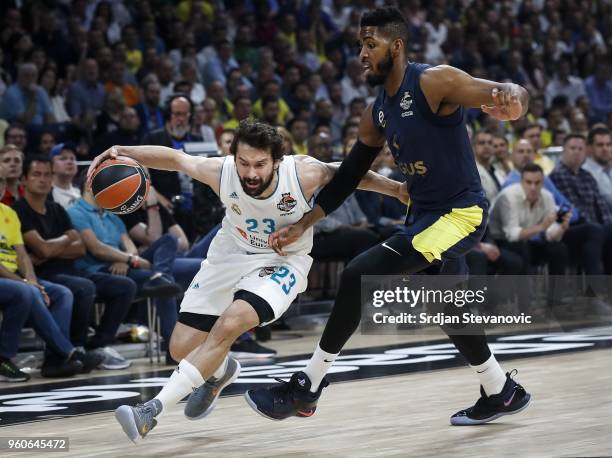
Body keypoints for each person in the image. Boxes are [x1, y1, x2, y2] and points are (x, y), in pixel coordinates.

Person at [245, 7, 532, 426]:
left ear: (395, 46)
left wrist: (513, 103)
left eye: (370, 43)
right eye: (360, 44)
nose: (362, 52)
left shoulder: (435, 81)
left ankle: (308, 387)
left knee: (359, 274)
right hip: (424, 217)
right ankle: (499, 390)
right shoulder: (377, 112)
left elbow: (509, 92)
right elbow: (348, 176)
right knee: (449, 305)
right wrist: (305, 222)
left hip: (461, 214)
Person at [87, 119, 407, 442]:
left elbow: (351, 174)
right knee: (180, 347)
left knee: (229, 324)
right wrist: (121, 150)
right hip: (230, 254)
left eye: (260, 164)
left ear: (277, 161)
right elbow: (174, 159)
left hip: (282, 261)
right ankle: (222, 371)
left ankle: (150, 411)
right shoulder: (222, 172)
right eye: (243, 163)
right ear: (234, 158)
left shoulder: (302, 173)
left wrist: (396, 189)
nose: (251, 173)